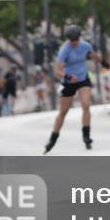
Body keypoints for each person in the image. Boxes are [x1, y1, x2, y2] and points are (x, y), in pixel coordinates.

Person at [44, 25, 100, 153]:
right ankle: (53, 139)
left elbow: (94, 56)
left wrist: (106, 64)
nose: (74, 42)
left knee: (86, 105)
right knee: (63, 111)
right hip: (69, 81)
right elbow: (58, 71)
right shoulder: (65, 50)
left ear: (79, 37)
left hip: (83, 78)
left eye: (76, 39)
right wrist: (68, 76)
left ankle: (86, 136)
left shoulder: (86, 46)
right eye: (71, 40)